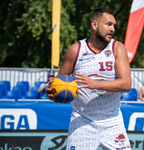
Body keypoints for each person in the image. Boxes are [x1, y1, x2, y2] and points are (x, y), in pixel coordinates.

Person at [46, 7, 132, 150]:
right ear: (94, 25)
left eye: (113, 25)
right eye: (108, 24)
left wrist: (95, 84)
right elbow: (59, 84)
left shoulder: (117, 48)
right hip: (82, 121)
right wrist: (52, 93)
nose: (113, 29)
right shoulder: (76, 50)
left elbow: (126, 84)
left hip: (112, 121)